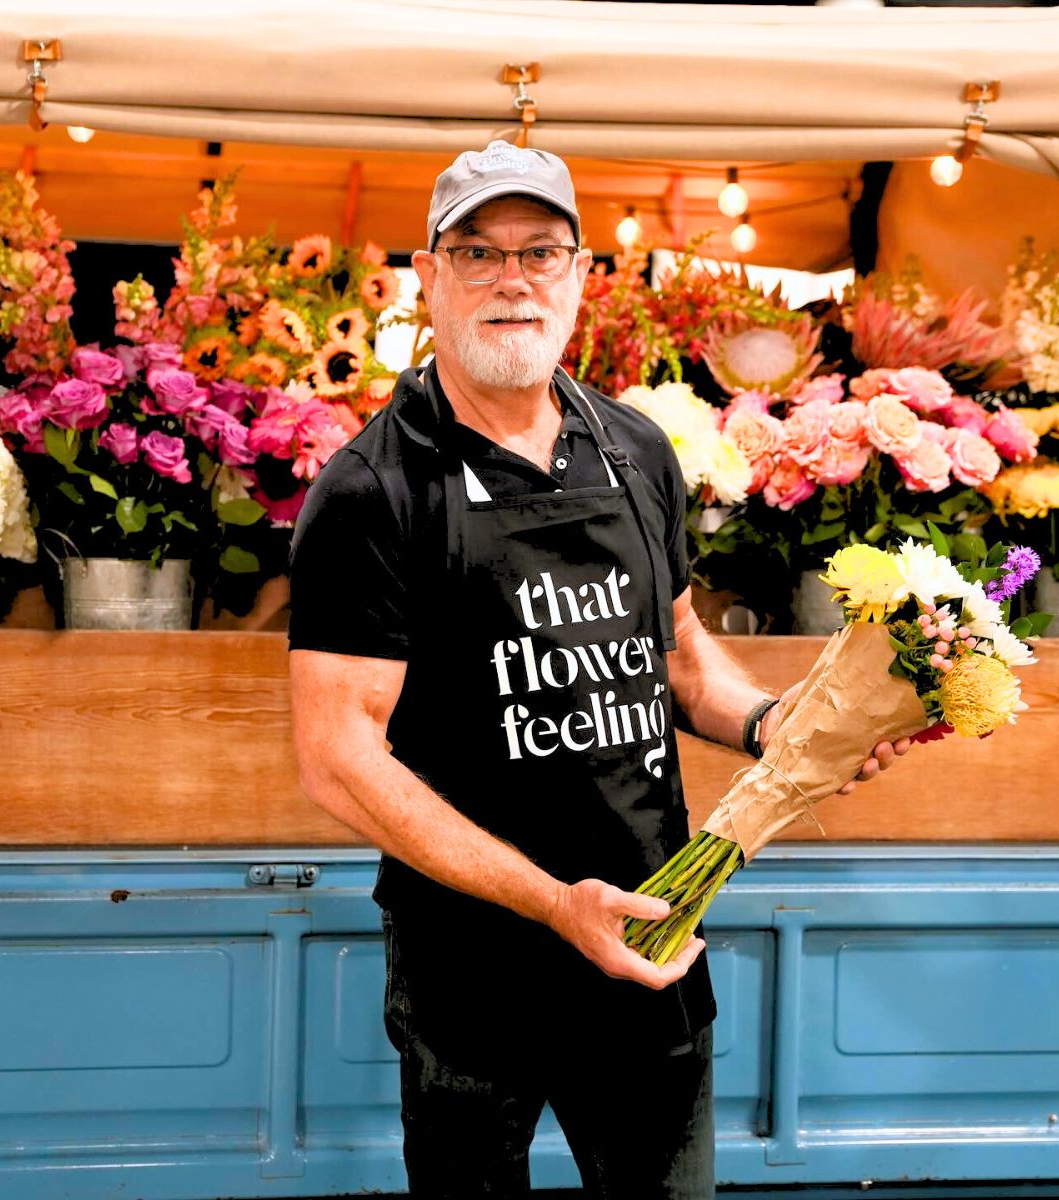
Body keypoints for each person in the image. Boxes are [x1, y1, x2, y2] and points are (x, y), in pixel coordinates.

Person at [287, 140, 909, 1199]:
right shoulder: (374, 488)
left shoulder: (633, 449)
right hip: (471, 968)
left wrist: (782, 726)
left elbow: (676, 658)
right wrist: (549, 902)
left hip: (650, 931)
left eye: (540, 252)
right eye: (477, 253)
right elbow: (337, 756)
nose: (511, 279)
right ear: (428, 277)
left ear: (582, 277)